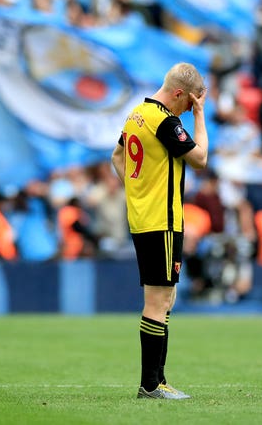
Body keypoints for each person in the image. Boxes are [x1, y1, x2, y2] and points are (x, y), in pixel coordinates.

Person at [111, 62, 208, 400]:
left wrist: (136, 192)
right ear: (179, 93)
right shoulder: (166, 121)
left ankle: (158, 381)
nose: (185, 110)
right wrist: (200, 115)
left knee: (165, 298)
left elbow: (118, 155)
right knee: (157, 301)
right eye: (188, 103)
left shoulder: (136, 113)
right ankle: (151, 384)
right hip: (162, 221)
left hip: (142, 218)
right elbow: (201, 158)